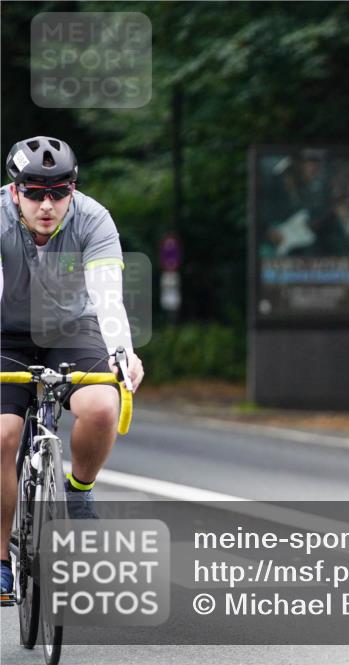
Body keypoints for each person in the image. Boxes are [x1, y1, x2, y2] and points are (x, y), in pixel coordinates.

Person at [0, 136, 144, 604]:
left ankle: (79, 491)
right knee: (2, 435)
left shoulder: (93, 218)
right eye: (35, 191)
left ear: (73, 189)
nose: (47, 204)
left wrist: (123, 352)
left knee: (103, 405)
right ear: (14, 189)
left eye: (59, 191)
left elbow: (106, 293)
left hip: (71, 328)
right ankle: (1, 561)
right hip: (7, 333)